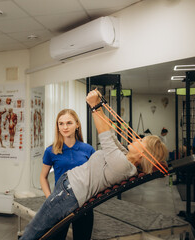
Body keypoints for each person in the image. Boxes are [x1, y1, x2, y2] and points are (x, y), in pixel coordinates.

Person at [20, 90, 168, 240]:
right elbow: (110, 134)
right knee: (39, 231)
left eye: (141, 141)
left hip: (69, 193)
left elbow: (105, 137)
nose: (137, 139)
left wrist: (94, 107)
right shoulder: (125, 158)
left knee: (33, 231)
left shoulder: (122, 165)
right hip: (68, 189)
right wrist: (101, 108)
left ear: (144, 153)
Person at [40, 109, 95, 240]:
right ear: (57, 127)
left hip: (84, 204)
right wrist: (50, 199)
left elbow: (95, 177)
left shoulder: (88, 149)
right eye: (61, 123)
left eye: (69, 123)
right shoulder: (51, 151)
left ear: (77, 125)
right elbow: (43, 177)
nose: (65, 127)